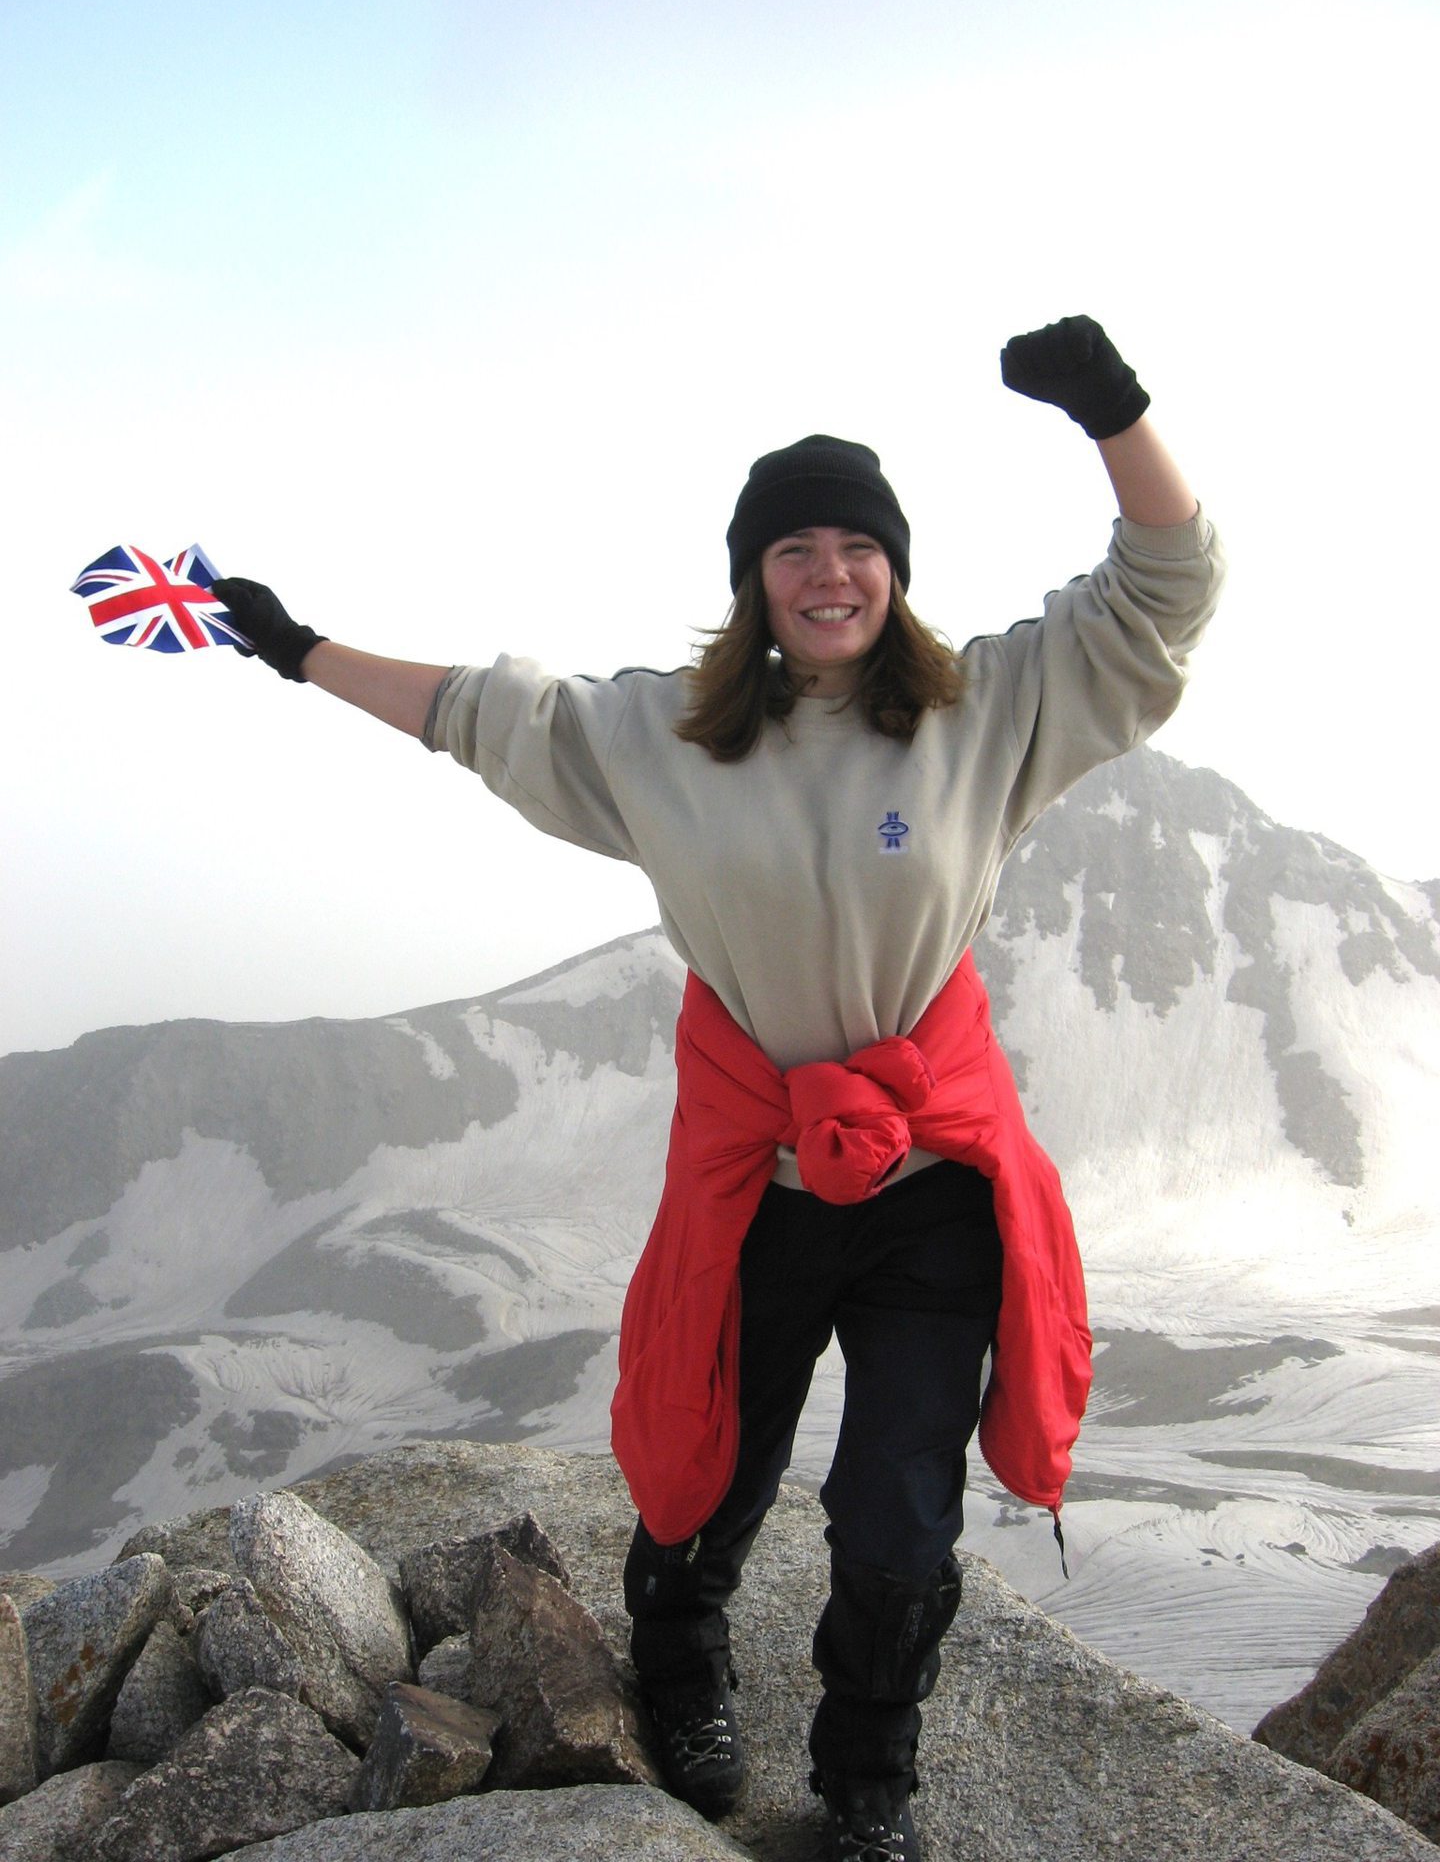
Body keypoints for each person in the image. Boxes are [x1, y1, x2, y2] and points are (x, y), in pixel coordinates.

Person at [211, 315, 1225, 1862]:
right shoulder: (665, 740)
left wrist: (1115, 414)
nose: (831, 575)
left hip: (931, 1184)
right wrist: (294, 649)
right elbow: (486, 713)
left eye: (858, 548)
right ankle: (681, 1670)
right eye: (796, 550)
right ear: (755, 578)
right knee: (708, 1471)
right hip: (760, 1178)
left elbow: (1165, 593)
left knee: (898, 1514)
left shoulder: (985, 713)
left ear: (895, 570)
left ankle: (867, 1790)